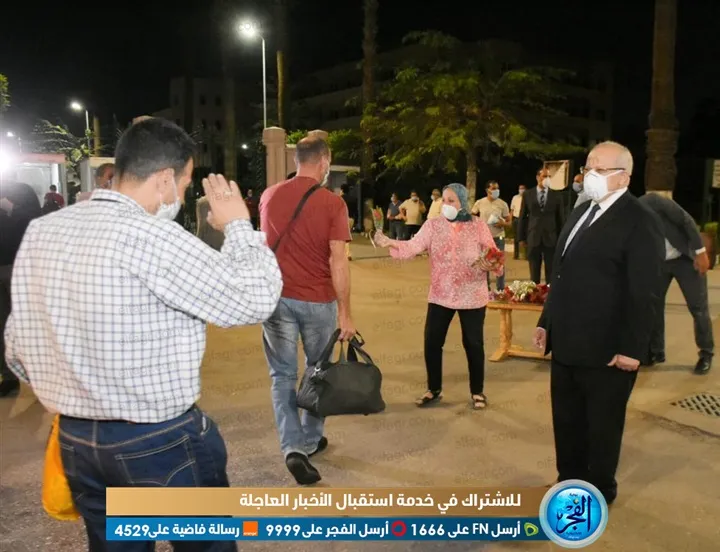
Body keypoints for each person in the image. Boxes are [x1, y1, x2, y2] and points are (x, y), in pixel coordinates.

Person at [4, 118, 282, 551]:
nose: (182, 195)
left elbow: (17, 349)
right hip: (157, 441)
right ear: (165, 179)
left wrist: (73, 387)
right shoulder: (153, 237)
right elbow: (256, 298)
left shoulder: (43, 231)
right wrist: (237, 227)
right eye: (185, 184)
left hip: (77, 441)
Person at [533, 141, 664, 506]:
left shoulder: (640, 220)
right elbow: (561, 273)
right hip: (567, 343)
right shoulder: (581, 211)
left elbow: (645, 292)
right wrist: (546, 322)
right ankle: (568, 483)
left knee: (601, 428)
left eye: (600, 169)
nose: (590, 175)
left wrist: (632, 348)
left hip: (608, 350)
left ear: (624, 177)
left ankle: (598, 491)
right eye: (588, 168)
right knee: (567, 422)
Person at [260, 137, 355, 486]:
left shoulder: (269, 195)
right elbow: (338, 261)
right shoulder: (333, 203)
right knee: (319, 372)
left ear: (297, 160)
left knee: (282, 376)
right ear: (324, 160)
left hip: (276, 300)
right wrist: (345, 312)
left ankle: (293, 448)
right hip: (317, 301)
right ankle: (311, 440)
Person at [375, 183, 503, 411]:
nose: (446, 205)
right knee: (432, 341)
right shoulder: (433, 225)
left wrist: (492, 264)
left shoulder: (477, 225)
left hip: (472, 294)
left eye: (451, 201)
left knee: (473, 343)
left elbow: (494, 254)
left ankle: (477, 391)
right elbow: (413, 246)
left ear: (462, 202)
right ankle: (433, 389)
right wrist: (389, 241)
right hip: (441, 294)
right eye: (444, 200)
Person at [639, 192, 713, 374]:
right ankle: (655, 351)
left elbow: (686, 221)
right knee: (653, 305)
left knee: (698, 307)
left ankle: (706, 353)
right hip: (659, 262)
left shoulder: (654, 202)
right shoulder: (626, 217)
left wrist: (700, 252)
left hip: (685, 258)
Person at [0, 182, 42, 397]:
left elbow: (32, 223)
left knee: (27, 323)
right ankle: (9, 375)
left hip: (20, 269)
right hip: (8, 268)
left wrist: (11, 212)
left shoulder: (23, 195)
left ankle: (36, 372)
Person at [518, 167, 565, 284]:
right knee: (534, 271)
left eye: (549, 176)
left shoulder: (556, 195)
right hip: (533, 236)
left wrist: (561, 238)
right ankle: (535, 291)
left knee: (551, 271)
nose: (547, 179)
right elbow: (523, 217)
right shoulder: (528, 194)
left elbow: (560, 218)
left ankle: (549, 292)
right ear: (537, 177)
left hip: (551, 238)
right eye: (544, 176)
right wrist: (521, 237)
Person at [471, 180, 511, 291]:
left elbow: (509, 222)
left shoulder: (502, 204)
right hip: (484, 237)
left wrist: (503, 223)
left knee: (500, 263)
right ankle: (486, 288)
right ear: (487, 190)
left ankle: (500, 289)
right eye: (493, 188)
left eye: (497, 188)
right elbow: (472, 216)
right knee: (485, 262)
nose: (496, 191)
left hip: (499, 236)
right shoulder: (480, 202)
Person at [510, 184, 526, 260]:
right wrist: (510, 220)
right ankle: (516, 254)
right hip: (516, 219)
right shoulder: (515, 198)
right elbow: (512, 210)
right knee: (516, 237)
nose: (521, 190)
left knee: (525, 236)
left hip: (524, 219)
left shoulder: (527, 197)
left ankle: (526, 255)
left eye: (522, 188)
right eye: (520, 188)